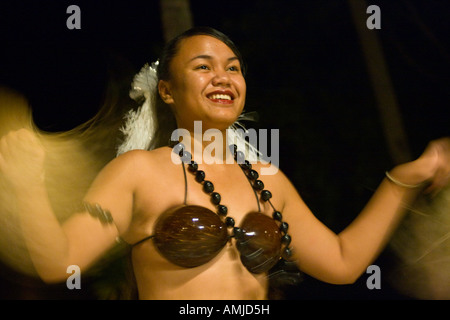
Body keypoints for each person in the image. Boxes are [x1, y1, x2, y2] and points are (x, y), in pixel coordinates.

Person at [0, 27, 449, 300]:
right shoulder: (139, 171)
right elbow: (58, 261)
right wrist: (27, 180)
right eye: (203, 66)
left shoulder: (267, 179)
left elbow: (343, 262)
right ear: (168, 91)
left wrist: (405, 180)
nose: (223, 77)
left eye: (233, 68)